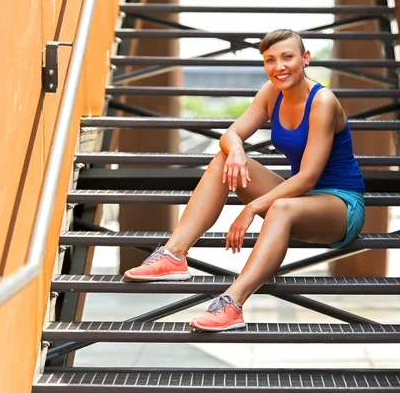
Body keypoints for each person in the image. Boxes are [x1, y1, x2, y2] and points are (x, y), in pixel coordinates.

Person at [124, 29, 366, 332]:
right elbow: (231, 134)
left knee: (281, 209)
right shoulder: (271, 92)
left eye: (287, 57)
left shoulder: (323, 101)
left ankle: (232, 304)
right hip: (301, 199)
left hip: (340, 205)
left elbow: (308, 177)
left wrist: (252, 208)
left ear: (305, 59)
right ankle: (174, 254)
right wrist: (237, 149)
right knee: (223, 160)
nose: (279, 67)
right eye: (270, 60)